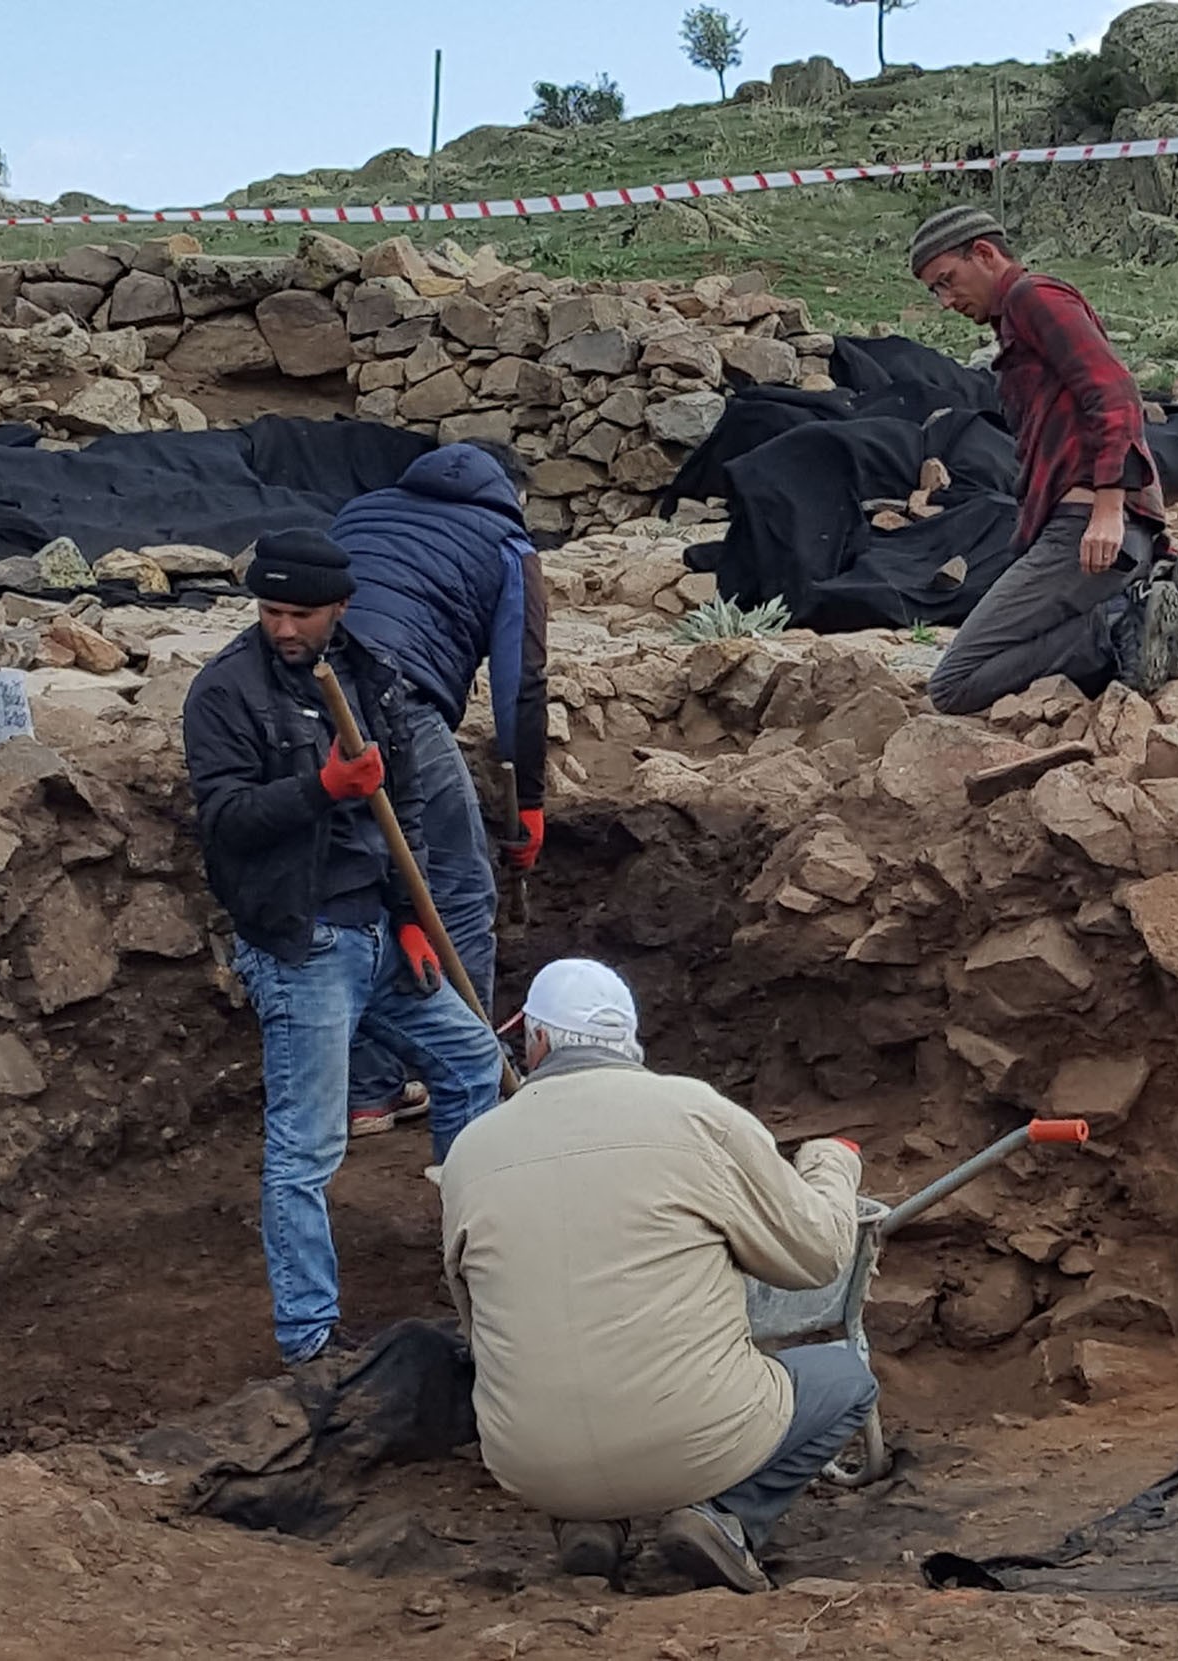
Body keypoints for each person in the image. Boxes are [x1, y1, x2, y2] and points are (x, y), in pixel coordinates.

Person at [184, 528, 511, 1377]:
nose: (283, 627)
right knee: (305, 1148)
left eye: (300, 612)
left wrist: (409, 916)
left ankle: (482, 1272)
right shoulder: (225, 692)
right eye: (270, 609)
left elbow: (400, 810)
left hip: (378, 932)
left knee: (474, 1061)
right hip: (301, 943)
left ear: (339, 607)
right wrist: (319, 788)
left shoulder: (369, 678)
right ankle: (309, 1337)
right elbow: (224, 823)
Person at [440, 959, 871, 1594]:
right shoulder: (696, 1114)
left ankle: (588, 1522)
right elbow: (818, 1256)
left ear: (535, 1041)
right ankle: (724, 1519)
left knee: (562, 1348)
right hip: (696, 1444)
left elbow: (477, 1321)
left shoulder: (469, 1151)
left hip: (529, 1461)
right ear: (630, 1043)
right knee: (843, 1379)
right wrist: (831, 1165)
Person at [907, 205, 1178, 716]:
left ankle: (1120, 626)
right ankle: (1138, 607)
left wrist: (1108, 509)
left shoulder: (1033, 298)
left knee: (952, 685)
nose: (946, 301)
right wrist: (1148, 528)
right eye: (934, 291)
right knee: (1008, 644)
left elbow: (1114, 391)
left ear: (984, 253)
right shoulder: (1018, 319)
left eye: (947, 281)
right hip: (1105, 534)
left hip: (1086, 531)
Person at [332, 439, 549, 1136]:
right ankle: (466, 1078)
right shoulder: (507, 542)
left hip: (307, 707)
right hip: (400, 705)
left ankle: (365, 1090)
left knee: (357, 886)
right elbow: (522, 687)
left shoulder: (361, 512)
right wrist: (531, 807)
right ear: (514, 494)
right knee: (457, 889)